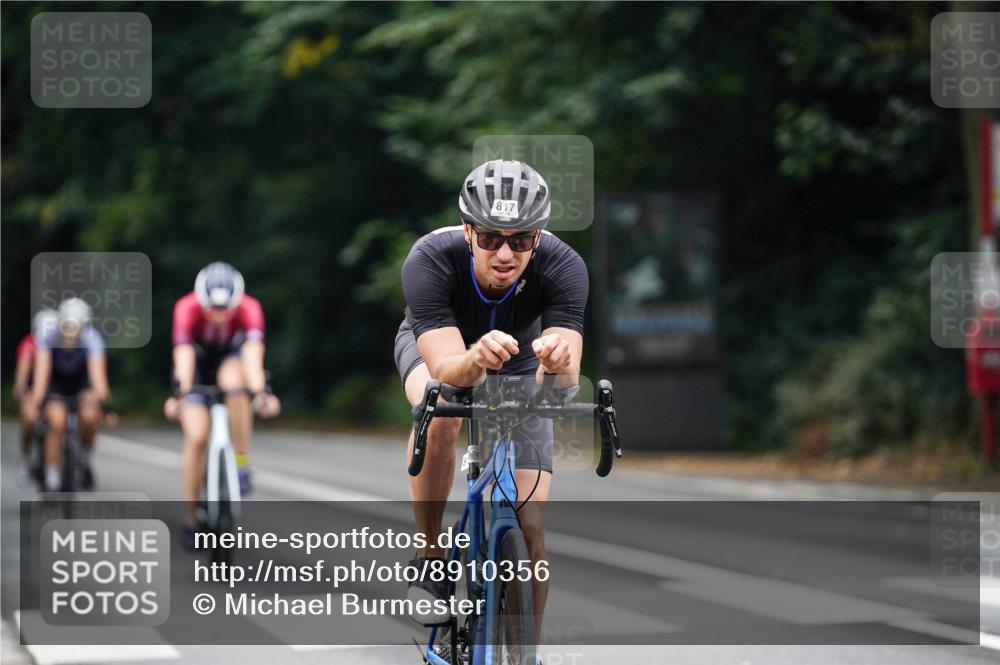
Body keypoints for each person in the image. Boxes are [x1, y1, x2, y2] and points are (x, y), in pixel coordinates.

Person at [395, 159, 587, 637]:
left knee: (532, 525)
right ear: (467, 231)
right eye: (490, 238)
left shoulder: (565, 266)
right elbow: (446, 368)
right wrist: (475, 358)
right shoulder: (430, 259)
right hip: (440, 348)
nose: (505, 252)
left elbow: (562, 388)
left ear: (537, 238)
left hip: (519, 358)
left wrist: (557, 363)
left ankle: (526, 651)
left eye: (520, 240)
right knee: (440, 407)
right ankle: (431, 555)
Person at [163, 262, 280, 544]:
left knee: (236, 387)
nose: (217, 316)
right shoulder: (186, 308)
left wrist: (261, 393)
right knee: (196, 436)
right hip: (198, 367)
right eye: (211, 310)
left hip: (231, 362)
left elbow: (253, 356)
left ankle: (240, 460)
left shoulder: (250, 308)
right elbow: (184, 357)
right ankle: (192, 516)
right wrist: (180, 396)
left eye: (224, 310)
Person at [24, 298, 112, 491]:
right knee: (57, 420)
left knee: (90, 415)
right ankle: (52, 475)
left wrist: (104, 405)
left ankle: (85, 458)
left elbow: (98, 379)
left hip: (81, 384)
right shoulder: (48, 338)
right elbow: (41, 377)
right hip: (56, 385)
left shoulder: (92, 340)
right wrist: (37, 404)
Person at [13, 309, 58, 483]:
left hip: (56, 389)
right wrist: (21, 389)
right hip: (33, 389)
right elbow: (22, 375)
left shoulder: (63, 344)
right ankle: (25, 458)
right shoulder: (29, 344)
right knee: (30, 418)